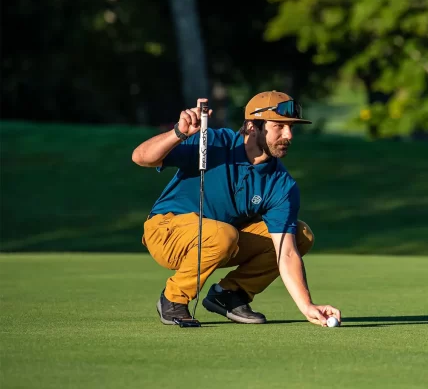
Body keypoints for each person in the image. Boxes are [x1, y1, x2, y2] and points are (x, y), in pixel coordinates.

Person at [132, 90, 341, 327]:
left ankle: (229, 294)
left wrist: (307, 306)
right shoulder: (211, 141)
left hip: (221, 240)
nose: (289, 135)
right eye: (279, 127)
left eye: (291, 127)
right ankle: (173, 299)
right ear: (253, 126)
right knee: (223, 235)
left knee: (300, 235)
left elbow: (287, 253)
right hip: (166, 231)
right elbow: (141, 158)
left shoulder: (282, 184)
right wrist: (179, 133)